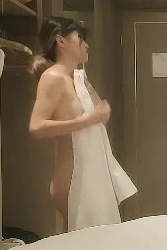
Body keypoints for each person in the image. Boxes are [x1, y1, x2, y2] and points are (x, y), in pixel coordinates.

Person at [28, 17, 111, 222]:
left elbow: (100, 116)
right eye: (80, 38)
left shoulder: (76, 78)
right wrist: (89, 120)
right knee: (84, 240)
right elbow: (36, 127)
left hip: (89, 173)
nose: (86, 45)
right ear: (61, 41)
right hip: (73, 178)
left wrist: (96, 112)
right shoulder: (53, 77)